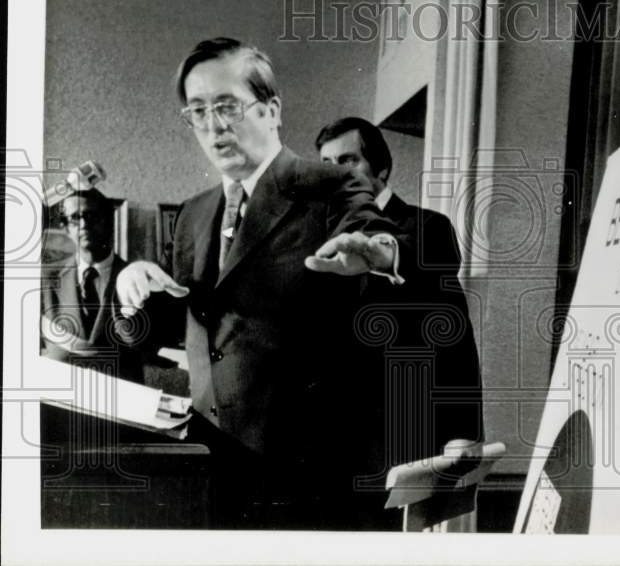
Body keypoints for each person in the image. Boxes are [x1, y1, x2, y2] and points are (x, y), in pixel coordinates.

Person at [113, 38, 411, 529]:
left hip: (311, 482)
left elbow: (377, 232)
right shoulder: (193, 214)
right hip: (212, 470)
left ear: (271, 111)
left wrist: (379, 251)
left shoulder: (329, 185)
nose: (213, 126)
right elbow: (173, 324)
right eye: (198, 111)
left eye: (227, 106)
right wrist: (132, 294)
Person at [315, 117, 483, 488]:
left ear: (382, 169)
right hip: (328, 442)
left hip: (402, 438)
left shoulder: (428, 228)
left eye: (348, 160)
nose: (335, 174)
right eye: (326, 165)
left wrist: (464, 430)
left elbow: (455, 333)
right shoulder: (317, 239)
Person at [41, 188, 146, 383]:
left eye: (91, 216)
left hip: (120, 396)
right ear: (66, 228)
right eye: (75, 218)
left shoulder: (138, 279)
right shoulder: (46, 280)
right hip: (61, 395)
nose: (83, 224)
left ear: (108, 220)